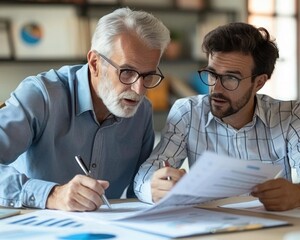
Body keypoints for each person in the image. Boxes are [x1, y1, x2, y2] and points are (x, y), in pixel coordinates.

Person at [0, 7, 170, 211]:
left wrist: (155, 187)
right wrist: (52, 195)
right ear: (95, 63)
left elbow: (138, 190)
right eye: (127, 72)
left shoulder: (142, 113)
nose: (139, 89)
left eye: (148, 75)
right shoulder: (42, 95)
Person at [134, 22, 300, 211]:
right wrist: (154, 187)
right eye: (212, 74)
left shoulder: (289, 116)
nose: (216, 88)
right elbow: (145, 175)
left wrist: (297, 194)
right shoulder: (188, 112)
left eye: (231, 78)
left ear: (259, 82)